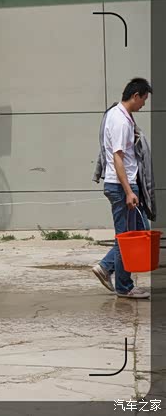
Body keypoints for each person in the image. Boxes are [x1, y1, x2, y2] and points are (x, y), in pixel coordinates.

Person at [92, 77, 154, 299]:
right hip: (121, 187)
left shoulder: (119, 115)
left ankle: (106, 267)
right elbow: (117, 158)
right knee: (126, 238)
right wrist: (128, 191)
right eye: (143, 99)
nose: (143, 105)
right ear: (135, 96)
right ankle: (124, 286)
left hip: (124, 185)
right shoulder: (120, 121)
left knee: (138, 233)